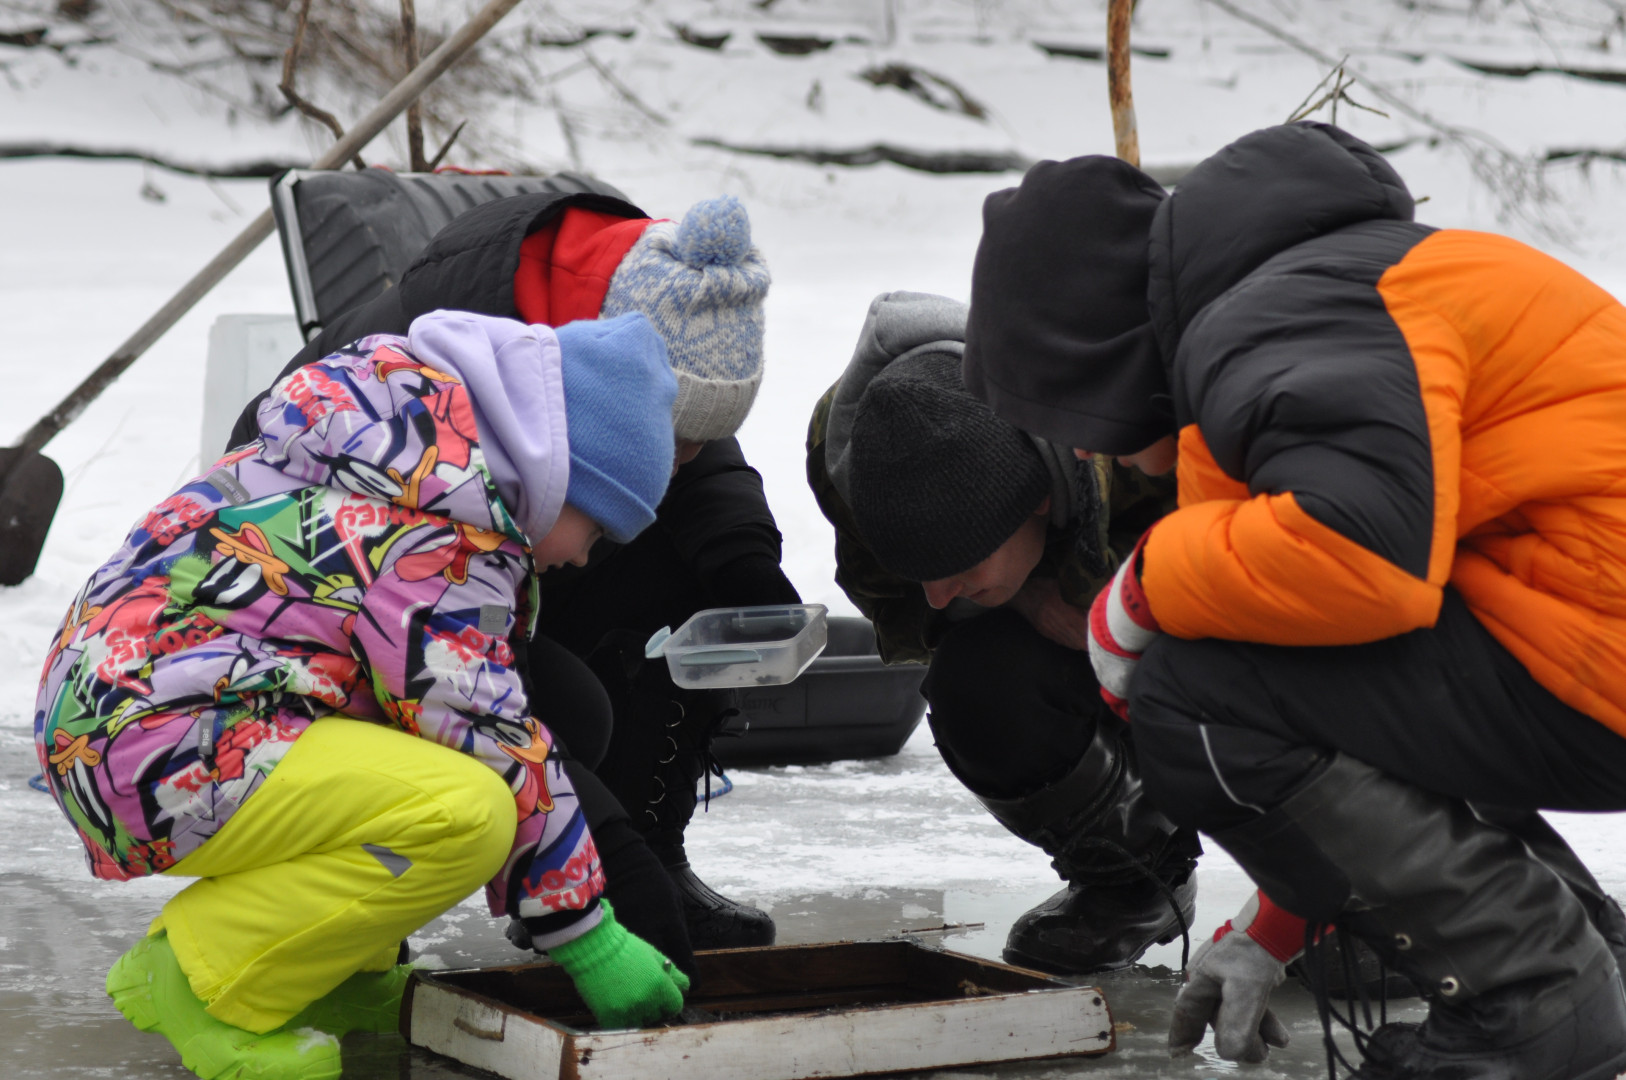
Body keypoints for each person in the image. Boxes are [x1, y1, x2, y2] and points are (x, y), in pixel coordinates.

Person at [961, 121, 1626, 1073]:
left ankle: (1535, 992)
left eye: (1063, 415)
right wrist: (1273, 927)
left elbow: (1364, 558)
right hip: (1581, 630)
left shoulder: (1273, 319)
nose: (1081, 452)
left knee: (1193, 688)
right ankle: (1587, 947)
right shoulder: (1323, 292)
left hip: (1595, 646)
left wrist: (1143, 588)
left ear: (1093, 355)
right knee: (1265, 653)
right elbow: (1371, 709)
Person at [36, 309, 689, 1080]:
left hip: (131, 710)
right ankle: (204, 979)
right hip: (158, 739)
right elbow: (493, 738)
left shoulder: (393, 447)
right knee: (466, 812)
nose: (584, 558)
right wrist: (589, 936)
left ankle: (331, 977)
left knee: (415, 746)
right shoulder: (437, 538)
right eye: (599, 528)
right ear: (559, 476)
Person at [227, 189, 794, 950]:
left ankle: (635, 852)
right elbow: (473, 707)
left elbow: (679, 452)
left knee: (665, 587)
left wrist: (743, 559)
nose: (685, 459)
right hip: (305, 637)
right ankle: (322, 906)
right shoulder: (431, 398)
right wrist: (602, 878)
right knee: (505, 749)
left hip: (487, 570)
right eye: (676, 435)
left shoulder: (634, 300)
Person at [805, 290, 1196, 974]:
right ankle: (1136, 877)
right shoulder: (854, 448)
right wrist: (1031, 600)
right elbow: (907, 610)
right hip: (1068, 622)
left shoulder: (1148, 419)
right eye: (921, 572)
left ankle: (1365, 889)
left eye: (958, 568)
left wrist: (1132, 616)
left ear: (1041, 497)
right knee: (979, 687)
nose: (936, 596)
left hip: (1223, 614)